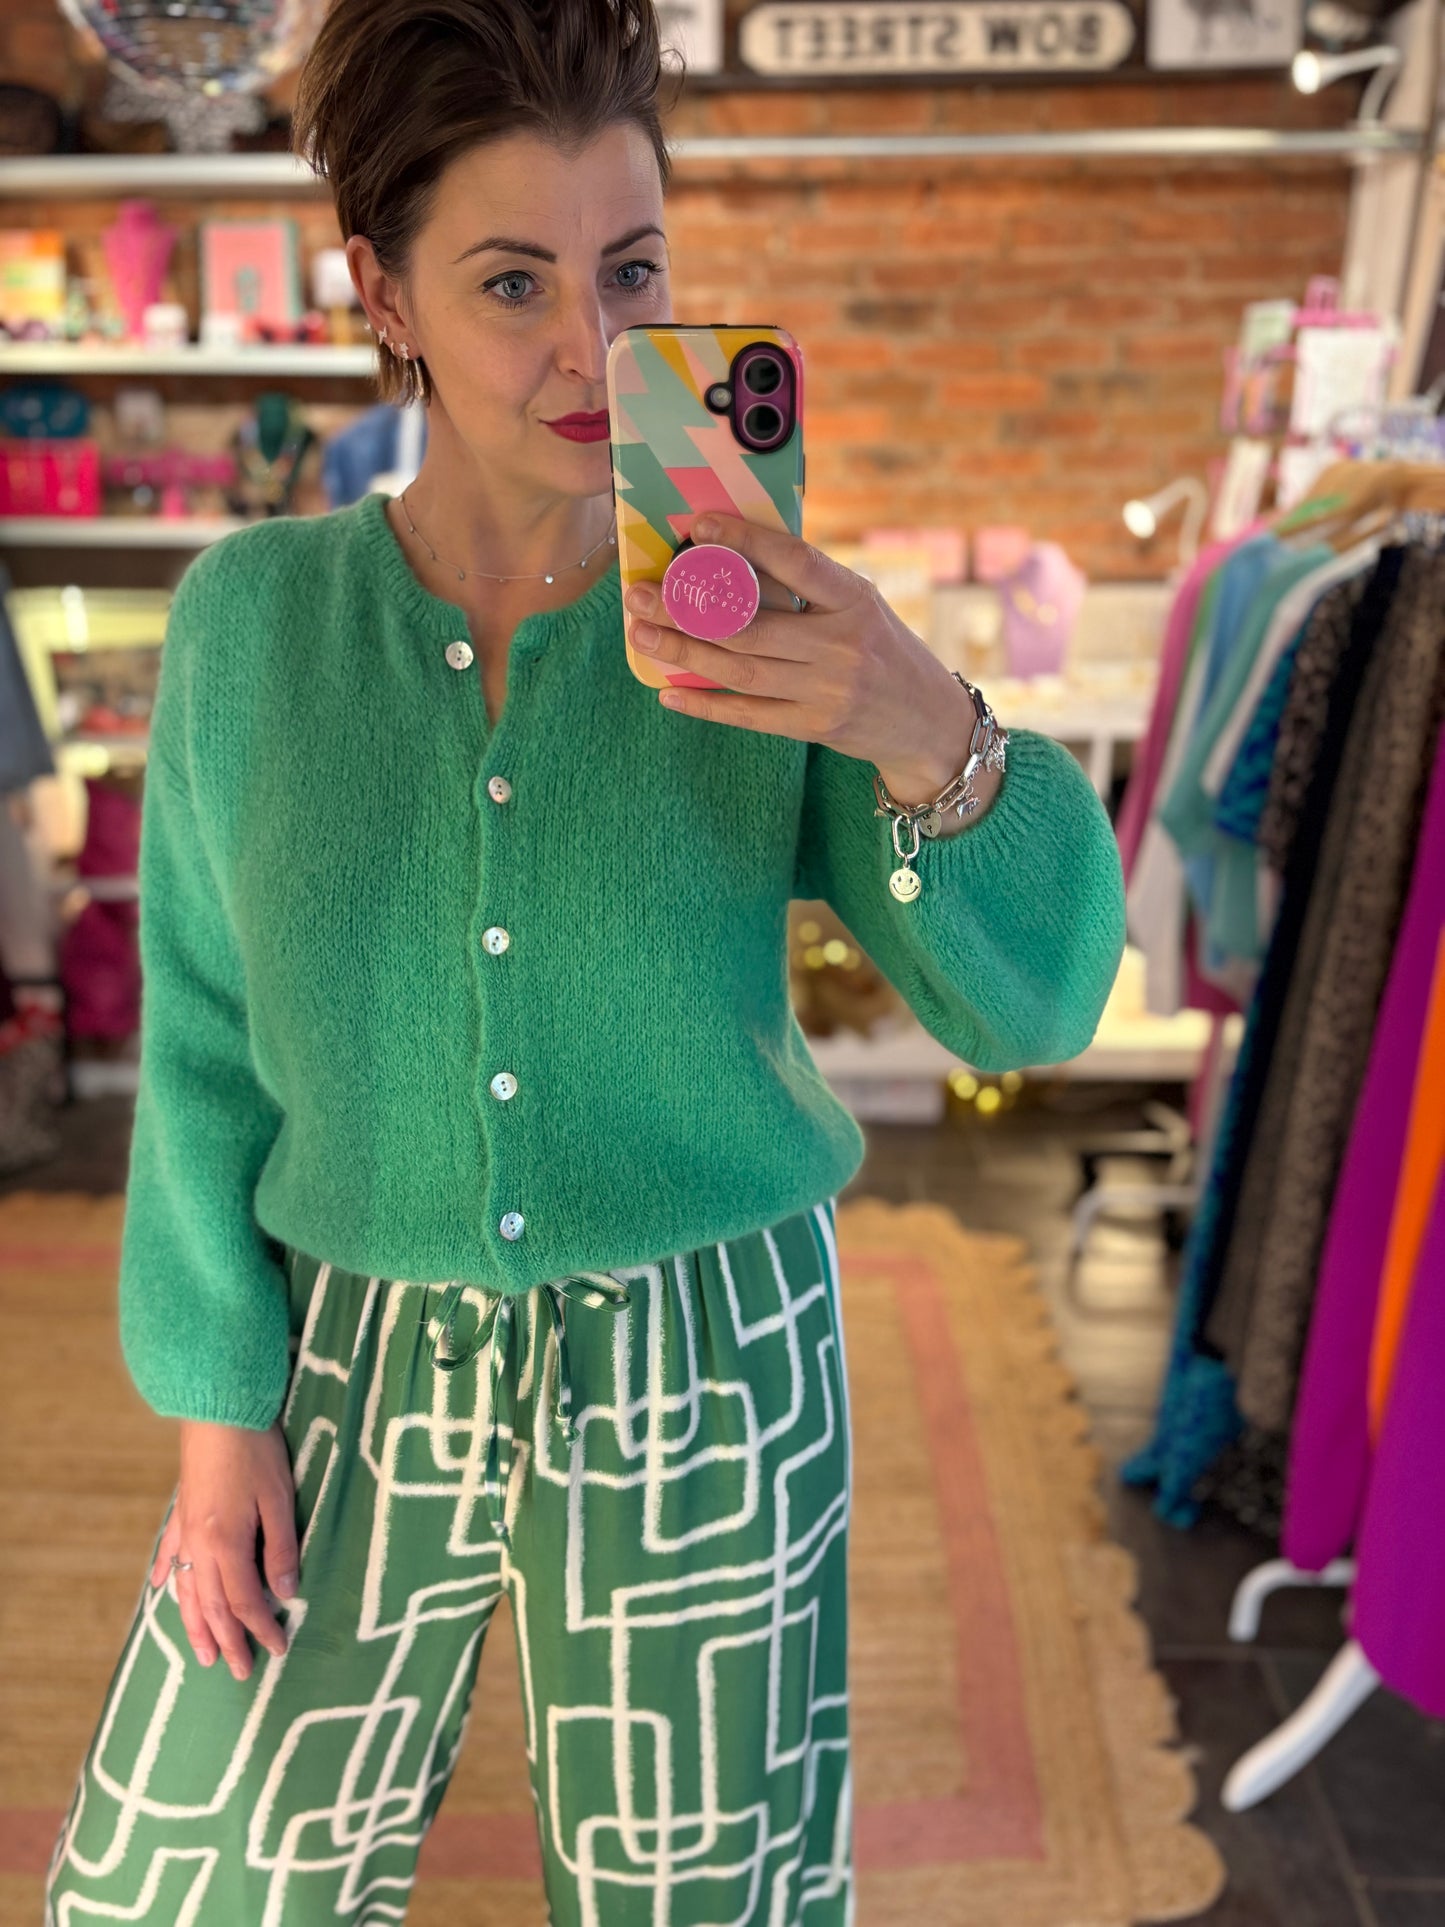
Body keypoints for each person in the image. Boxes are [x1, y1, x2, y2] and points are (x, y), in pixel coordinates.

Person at [43, 0, 1126, 1920]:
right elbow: (204, 1044)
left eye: (631, 274)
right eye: (512, 281)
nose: (589, 349)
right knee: (181, 1881)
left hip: (706, 1350)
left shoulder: (764, 621)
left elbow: (1028, 1013)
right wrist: (221, 1420)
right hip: (349, 1341)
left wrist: (910, 715)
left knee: (705, 1897)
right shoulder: (253, 628)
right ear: (380, 288)